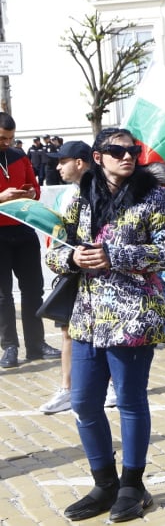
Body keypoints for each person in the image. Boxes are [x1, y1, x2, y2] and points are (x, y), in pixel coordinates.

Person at [44, 127, 165, 522]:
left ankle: (133, 487)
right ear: (98, 156)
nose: (127, 156)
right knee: (85, 401)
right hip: (87, 318)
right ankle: (103, 484)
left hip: (134, 314)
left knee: (130, 401)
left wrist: (114, 255)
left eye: (133, 150)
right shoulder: (80, 198)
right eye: (117, 150)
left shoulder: (153, 195)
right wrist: (72, 261)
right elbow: (55, 250)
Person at [0, 112, 60, 369]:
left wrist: (31, 192)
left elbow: (34, 189)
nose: (7, 143)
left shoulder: (20, 156)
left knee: (33, 290)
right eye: (3, 138)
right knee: (2, 296)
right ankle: (9, 346)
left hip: (23, 231)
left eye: (11, 138)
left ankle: (36, 345)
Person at [38, 140, 93, 414]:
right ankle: (67, 389)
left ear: (80, 162)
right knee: (67, 331)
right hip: (70, 272)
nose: (58, 167)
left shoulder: (100, 191)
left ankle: (110, 386)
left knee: (103, 333)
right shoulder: (65, 195)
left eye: (62, 161)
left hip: (97, 276)